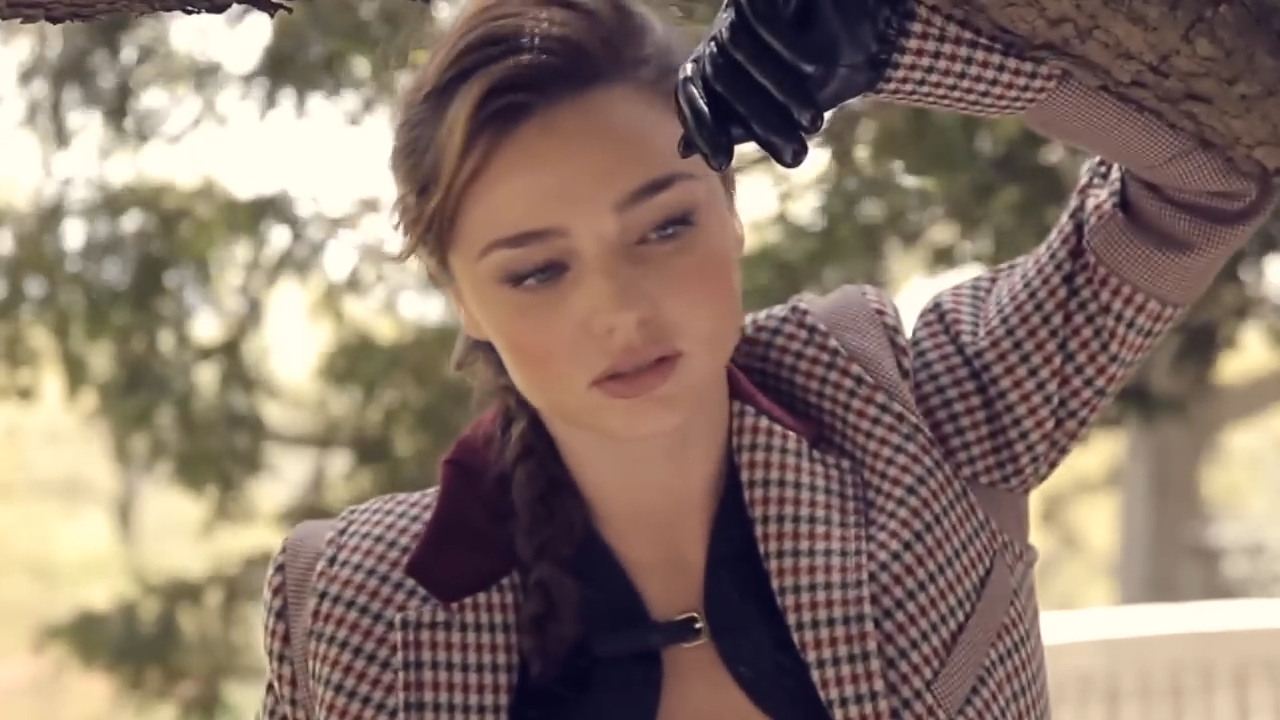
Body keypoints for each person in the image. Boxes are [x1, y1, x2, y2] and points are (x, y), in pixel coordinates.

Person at [257, 0, 1275, 717]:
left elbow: (1210, 174)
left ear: (730, 208)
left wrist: (890, 43)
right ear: (462, 301)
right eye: (536, 272)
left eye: (663, 228)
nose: (620, 310)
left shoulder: (914, 410)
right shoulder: (353, 609)